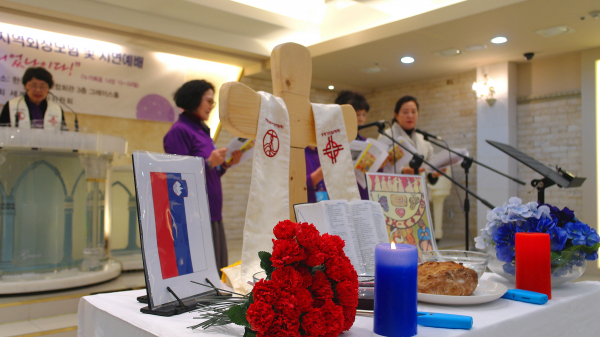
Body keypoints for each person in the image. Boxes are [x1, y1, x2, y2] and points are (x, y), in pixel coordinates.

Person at [163, 79, 242, 276]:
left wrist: (223, 165)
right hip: (195, 213)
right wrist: (207, 163)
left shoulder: (201, 130)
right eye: (208, 101)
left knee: (216, 269)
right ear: (193, 99)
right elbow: (176, 175)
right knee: (201, 272)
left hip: (213, 211)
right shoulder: (179, 131)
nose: (211, 107)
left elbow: (209, 174)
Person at [305, 91, 372, 202]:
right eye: (357, 114)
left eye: (363, 115)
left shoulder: (321, 147)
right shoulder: (303, 149)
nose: (361, 119)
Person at [378, 95, 444, 183]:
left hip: (421, 192)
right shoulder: (386, 135)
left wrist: (435, 173)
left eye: (413, 112)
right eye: (405, 112)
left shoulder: (422, 138)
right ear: (396, 115)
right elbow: (379, 169)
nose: (410, 115)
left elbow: (428, 170)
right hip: (396, 190)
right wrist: (403, 171)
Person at [0, 67, 67, 130]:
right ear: (25, 86)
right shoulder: (11, 105)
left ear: (48, 88)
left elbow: (64, 135)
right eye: (33, 86)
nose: (38, 90)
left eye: (42, 87)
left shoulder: (57, 109)